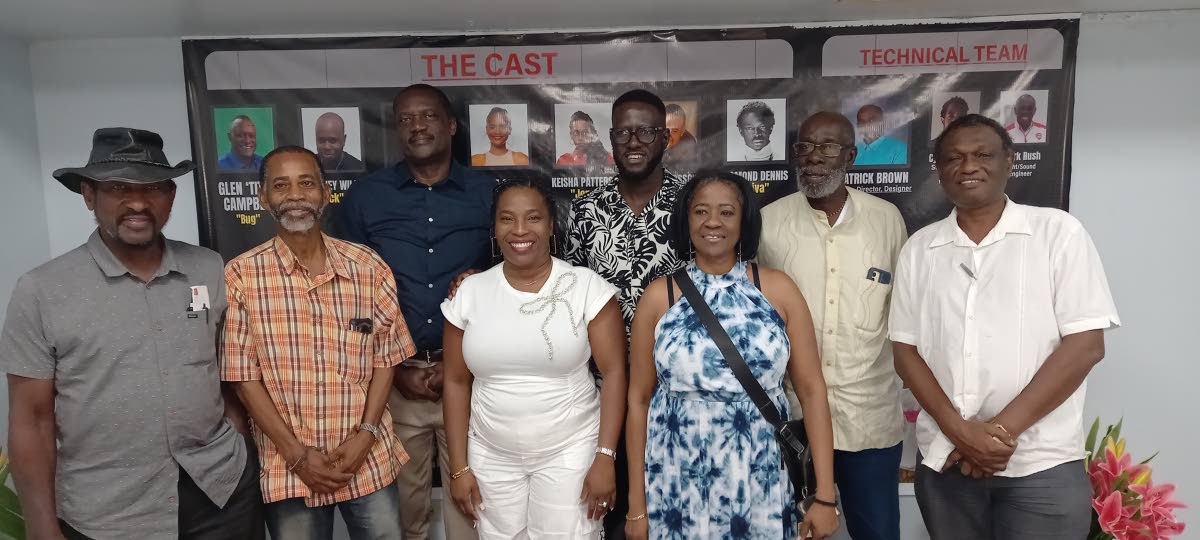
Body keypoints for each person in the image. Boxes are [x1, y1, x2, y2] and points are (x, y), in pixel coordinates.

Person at [1, 127, 261, 539]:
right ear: (89, 195)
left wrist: (240, 441)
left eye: (154, 187)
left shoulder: (207, 268)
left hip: (220, 491)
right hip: (108, 511)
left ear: (171, 196)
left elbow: (225, 366)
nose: (138, 202)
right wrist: (41, 527)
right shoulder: (42, 291)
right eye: (118, 187)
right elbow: (31, 419)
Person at [890, 114, 1119, 539]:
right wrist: (962, 434)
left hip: (1040, 464)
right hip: (948, 463)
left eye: (982, 155)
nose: (968, 166)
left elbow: (1086, 346)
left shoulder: (1057, 233)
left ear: (1010, 161)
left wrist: (995, 435)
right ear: (939, 171)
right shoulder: (921, 249)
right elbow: (906, 351)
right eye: (954, 158)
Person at [624, 171, 840, 539]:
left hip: (761, 473)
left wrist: (824, 496)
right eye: (701, 212)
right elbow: (639, 399)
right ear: (686, 219)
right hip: (677, 477)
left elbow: (812, 390)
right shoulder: (660, 297)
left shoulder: (778, 289)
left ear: (744, 222)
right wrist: (636, 508)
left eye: (726, 212)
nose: (712, 222)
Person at [221, 146, 412, 539]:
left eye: (306, 183)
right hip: (288, 464)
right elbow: (242, 377)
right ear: (263, 197)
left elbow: (386, 359)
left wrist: (366, 435)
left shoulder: (368, 267)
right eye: (281, 185)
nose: (295, 195)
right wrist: (296, 455)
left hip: (368, 456)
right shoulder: (241, 275)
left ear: (326, 193)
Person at [338, 83, 491, 540]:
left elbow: (513, 281)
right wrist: (394, 366)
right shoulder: (367, 197)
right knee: (407, 516)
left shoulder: (487, 194)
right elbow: (349, 292)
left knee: (473, 508)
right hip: (394, 382)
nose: (417, 126)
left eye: (427, 116)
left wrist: (456, 362)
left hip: (471, 378)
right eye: (405, 119)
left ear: (450, 126)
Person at [442, 179, 627, 538]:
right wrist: (460, 469)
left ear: (551, 225)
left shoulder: (585, 286)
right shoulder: (470, 292)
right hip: (490, 454)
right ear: (494, 228)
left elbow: (615, 373)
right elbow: (455, 381)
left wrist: (605, 457)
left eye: (533, 218)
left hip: (570, 450)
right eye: (507, 219)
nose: (520, 230)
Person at [759, 111, 908, 540]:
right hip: (793, 419)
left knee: (877, 533)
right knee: (795, 532)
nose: (813, 158)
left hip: (868, 417)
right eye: (804, 147)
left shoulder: (886, 220)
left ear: (851, 156)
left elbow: (901, 315)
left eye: (826, 147)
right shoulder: (769, 223)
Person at [564, 89, 685, 539]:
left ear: (666, 138)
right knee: (610, 518)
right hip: (601, 397)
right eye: (623, 132)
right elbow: (569, 295)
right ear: (610, 139)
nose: (634, 141)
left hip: (676, 393)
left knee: (672, 514)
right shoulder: (585, 209)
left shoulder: (693, 206)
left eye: (646, 131)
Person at [662, 103, 697, 169]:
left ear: (682, 131)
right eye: (666, 129)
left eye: (675, 131)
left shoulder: (690, 146)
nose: (669, 135)